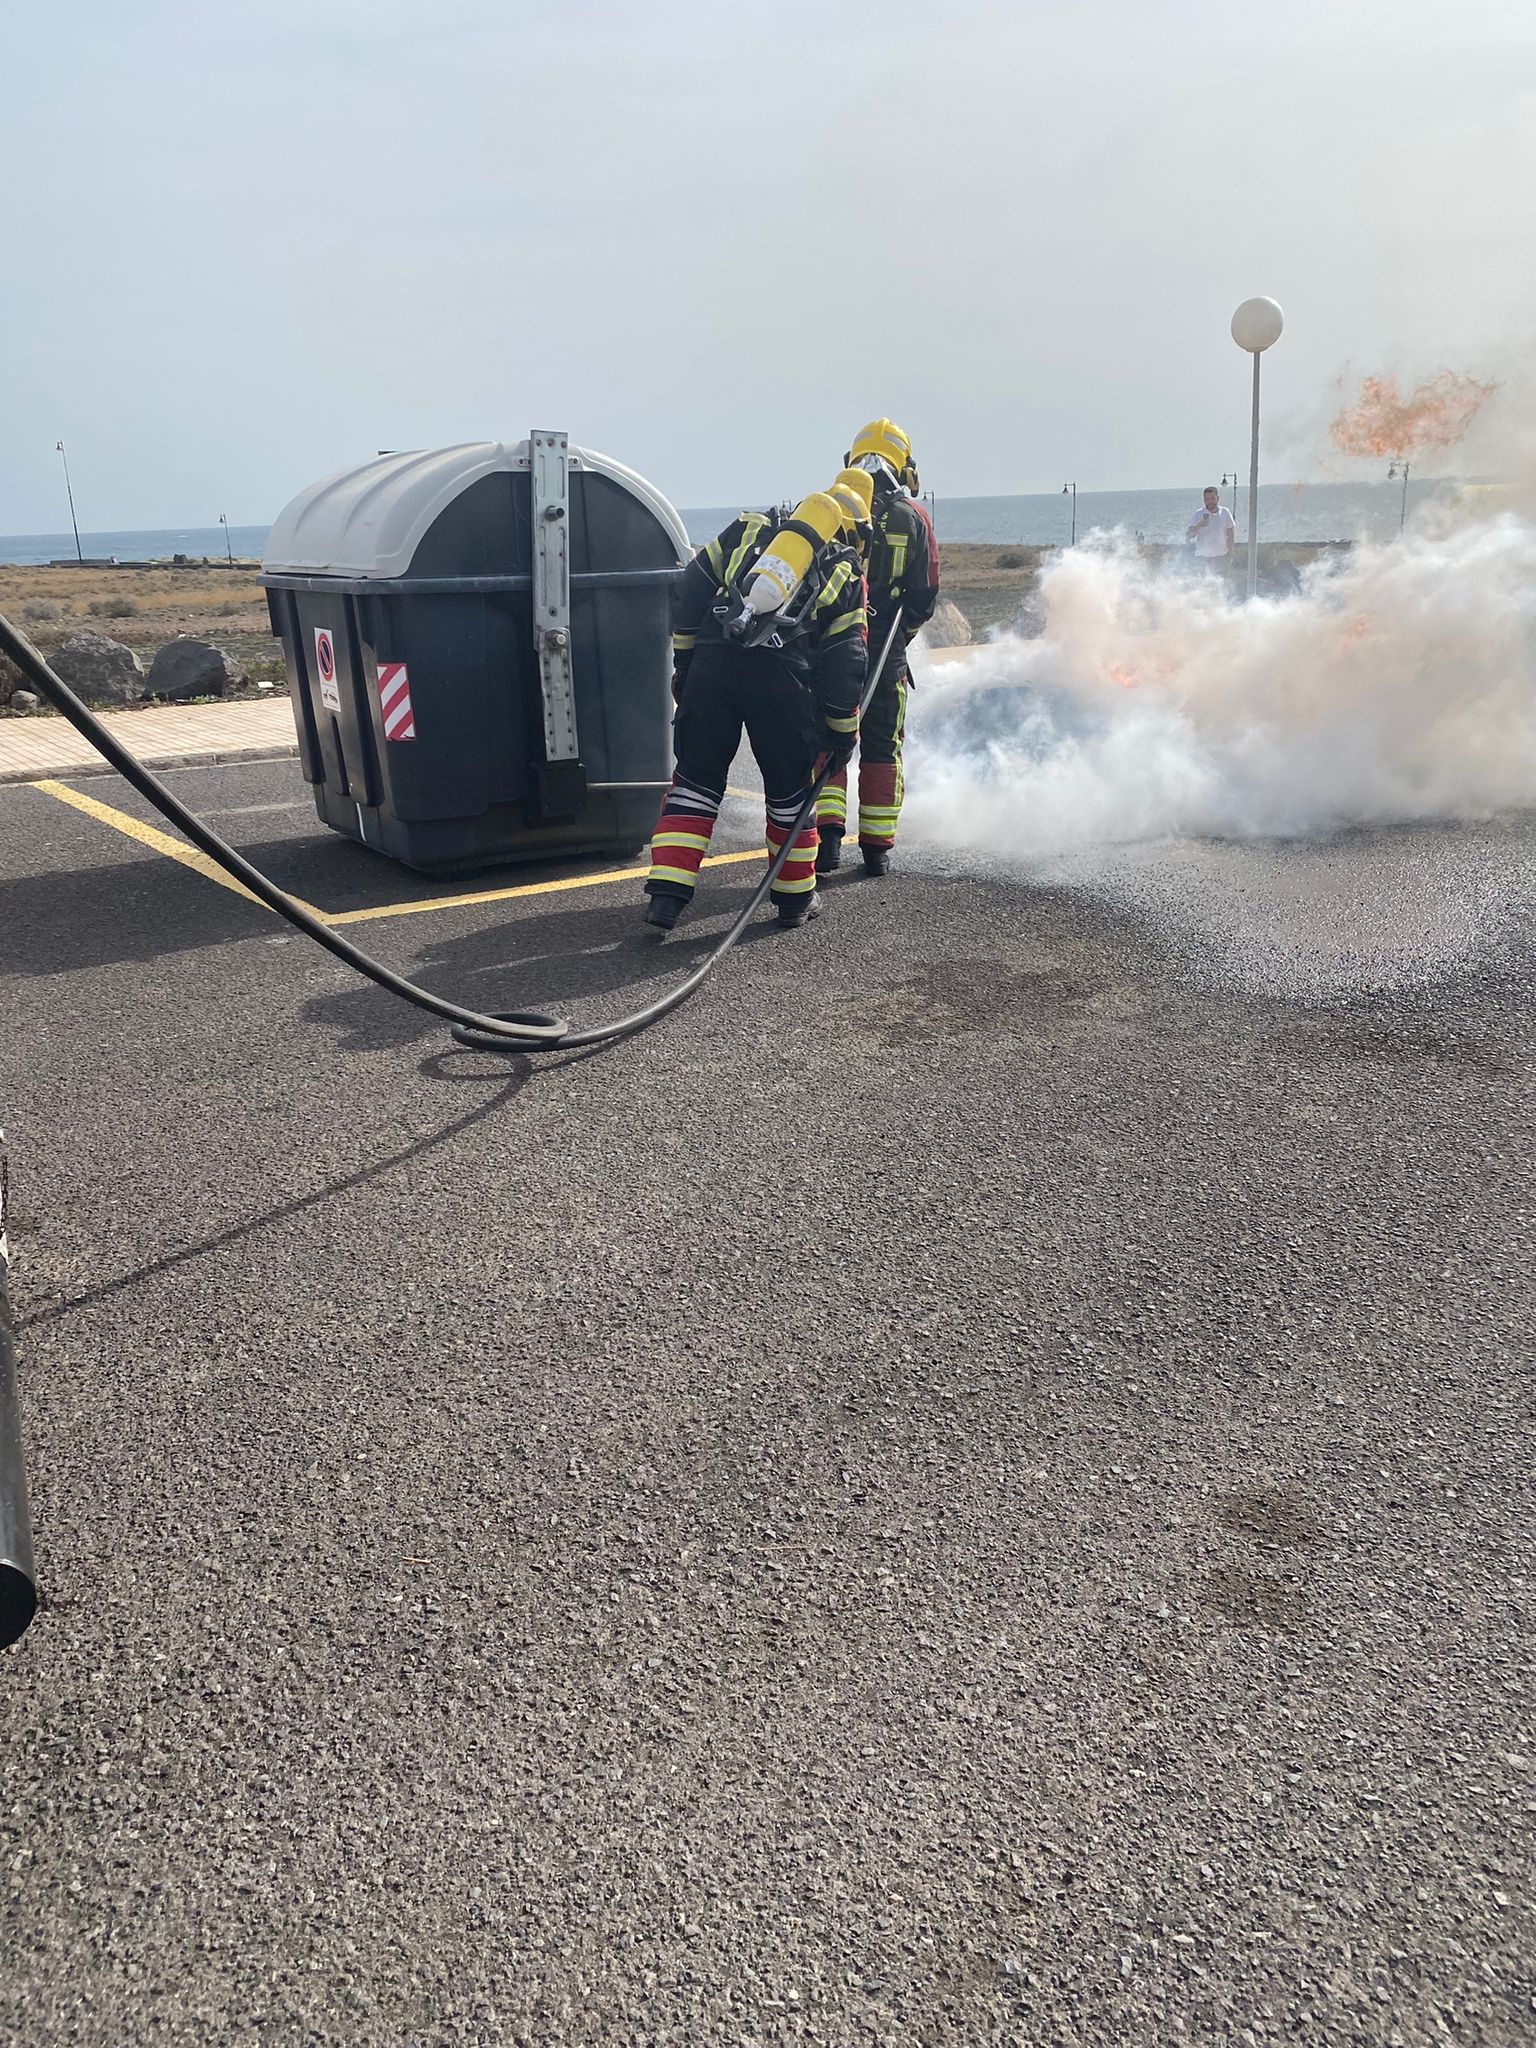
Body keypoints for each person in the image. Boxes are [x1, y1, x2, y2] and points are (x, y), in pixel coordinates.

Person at [644, 490, 867, 932]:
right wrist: (843, 731)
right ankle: (794, 899)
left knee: (694, 782)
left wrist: (686, 664)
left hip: (713, 660)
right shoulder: (844, 568)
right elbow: (848, 660)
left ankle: (665, 899)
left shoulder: (750, 529)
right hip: (782, 680)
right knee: (789, 792)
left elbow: (691, 589)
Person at [817, 419, 939, 877]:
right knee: (883, 748)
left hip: (831, 654)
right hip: (886, 657)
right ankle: (875, 851)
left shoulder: (831, 508)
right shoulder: (913, 517)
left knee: (828, 743)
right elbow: (926, 591)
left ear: (852, 461)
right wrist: (898, 635)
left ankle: (827, 842)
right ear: (904, 466)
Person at [1187, 485, 1235, 573]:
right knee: (1203, 583)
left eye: (1212, 498)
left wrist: (1230, 552)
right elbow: (1190, 535)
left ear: (1218, 498)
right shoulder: (1198, 514)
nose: (1210, 502)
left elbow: (1230, 533)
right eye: (1207, 499)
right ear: (1204, 500)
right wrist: (1199, 525)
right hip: (1203, 557)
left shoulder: (1225, 512)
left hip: (1221, 555)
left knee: (1221, 583)